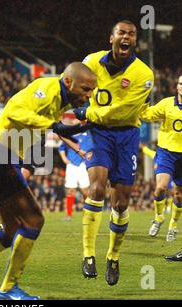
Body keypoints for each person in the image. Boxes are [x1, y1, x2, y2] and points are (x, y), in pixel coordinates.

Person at [0, 62, 97, 300]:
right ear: (67, 82)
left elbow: (45, 126)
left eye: (91, 91)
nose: (88, 95)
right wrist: (53, 125)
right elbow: (14, 112)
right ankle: (8, 288)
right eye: (85, 89)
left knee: (11, 229)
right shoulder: (47, 90)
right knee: (33, 221)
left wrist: (67, 129)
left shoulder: (60, 99)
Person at [73, 20, 154, 285]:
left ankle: (113, 256)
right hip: (97, 132)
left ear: (135, 40)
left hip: (126, 135)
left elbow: (122, 111)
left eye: (131, 33)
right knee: (96, 188)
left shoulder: (144, 75)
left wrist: (85, 112)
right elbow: (75, 85)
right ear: (112, 38)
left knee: (120, 203)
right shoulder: (92, 61)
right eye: (122, 32)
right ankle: (87, 254)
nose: (126, 37)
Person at [140, 75, 182, 249]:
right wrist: (143, 100)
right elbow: (147, 115)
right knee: (160, 188)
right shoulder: (166, 104)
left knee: (179, 195)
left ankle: (173, 224)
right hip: (166, 152)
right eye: (180, 83)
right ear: (177, 86)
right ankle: (158, 217)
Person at [59, 116, 93, 221]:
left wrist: (91, 154)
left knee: (85, 191)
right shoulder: (69, 135)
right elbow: (61, 148)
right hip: (71, 165)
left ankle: (89, 214)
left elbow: (93, 147)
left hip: (83, 165)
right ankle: (69, 215)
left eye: (77, 120)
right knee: (70, 190)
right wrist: (64, 158)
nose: (75, 121)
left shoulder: (87, 134)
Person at [140, 143, 175, 240]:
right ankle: (160, 216)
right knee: (160, 189)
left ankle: (173, 226)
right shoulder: (158, 154)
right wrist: (141, 144)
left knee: (176, 194)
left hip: (173, 176)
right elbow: (146, 150)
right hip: (165, 175)